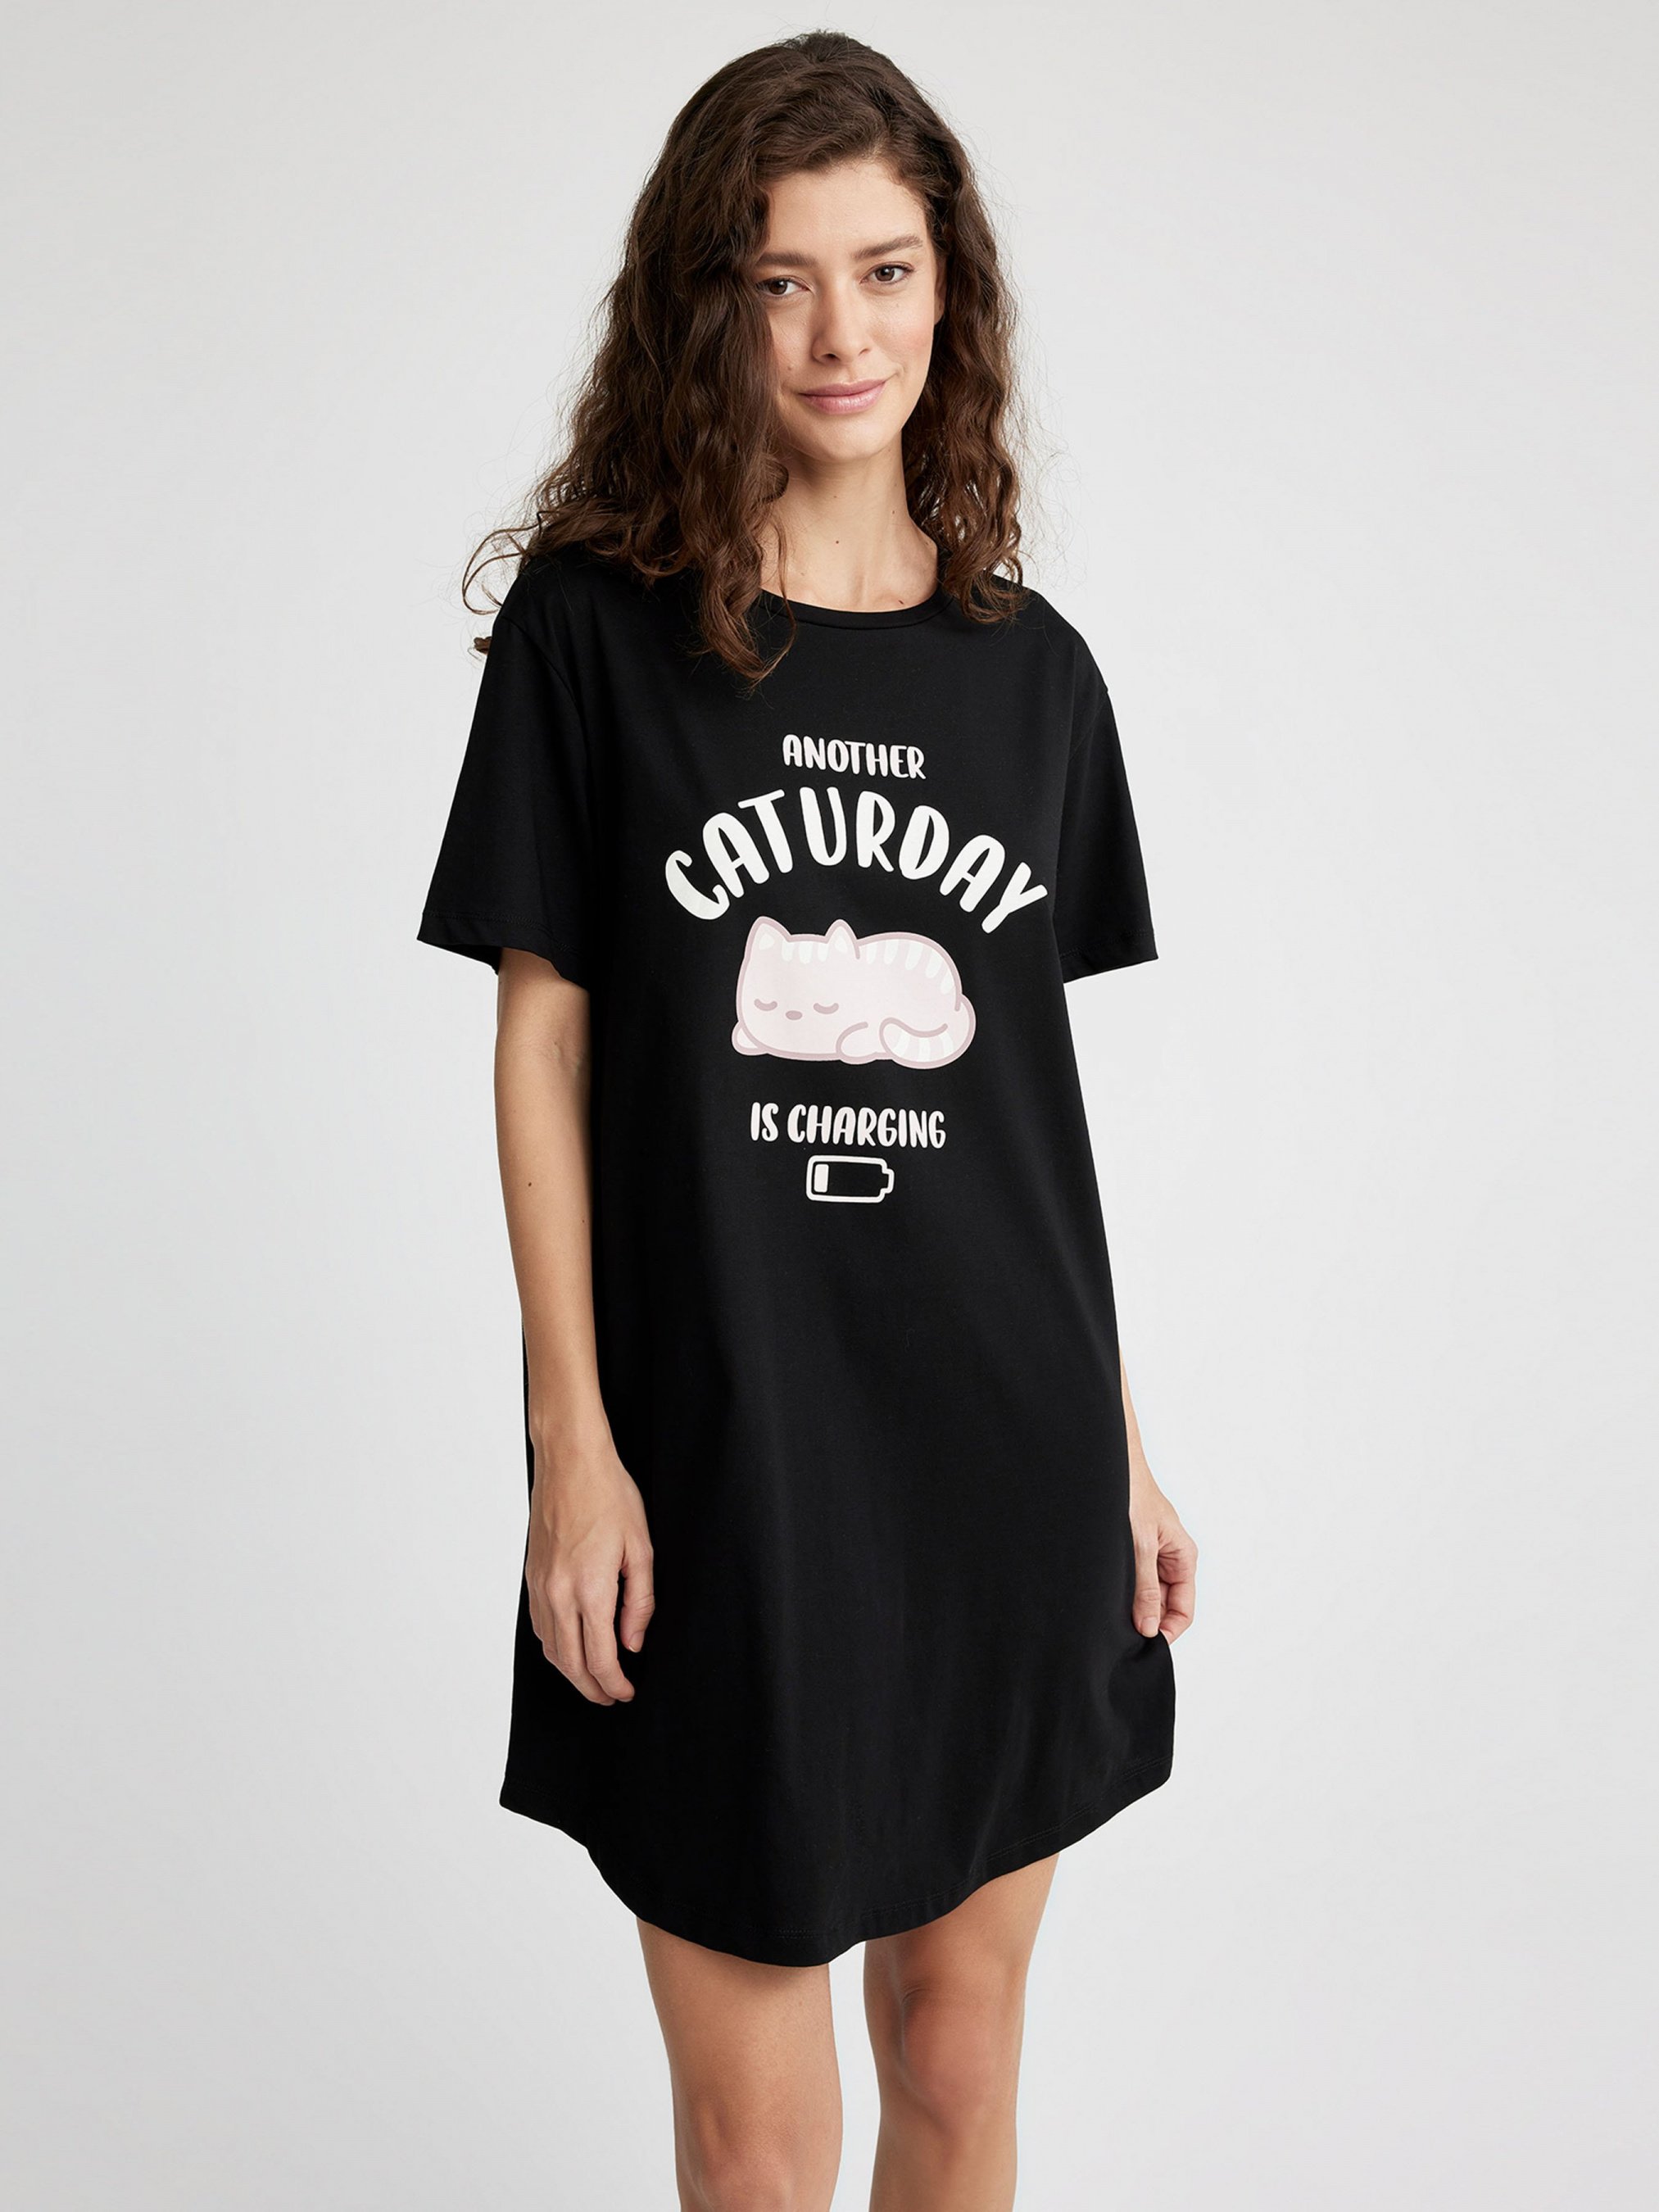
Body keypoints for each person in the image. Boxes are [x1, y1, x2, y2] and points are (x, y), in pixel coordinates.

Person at [416, 29, 1198, 2212]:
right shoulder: (596, 636)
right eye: (779, 280)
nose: (840, 331)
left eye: (883, 270)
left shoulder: (1033, 676)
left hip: (997, 1448)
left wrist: (1121, 1447)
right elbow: (544, 1044)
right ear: (710, 304)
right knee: (755, 2152)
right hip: (725, 1450)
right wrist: (572, 1448)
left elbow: (1033, 1122)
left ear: (950, 291)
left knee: (957, 2057)